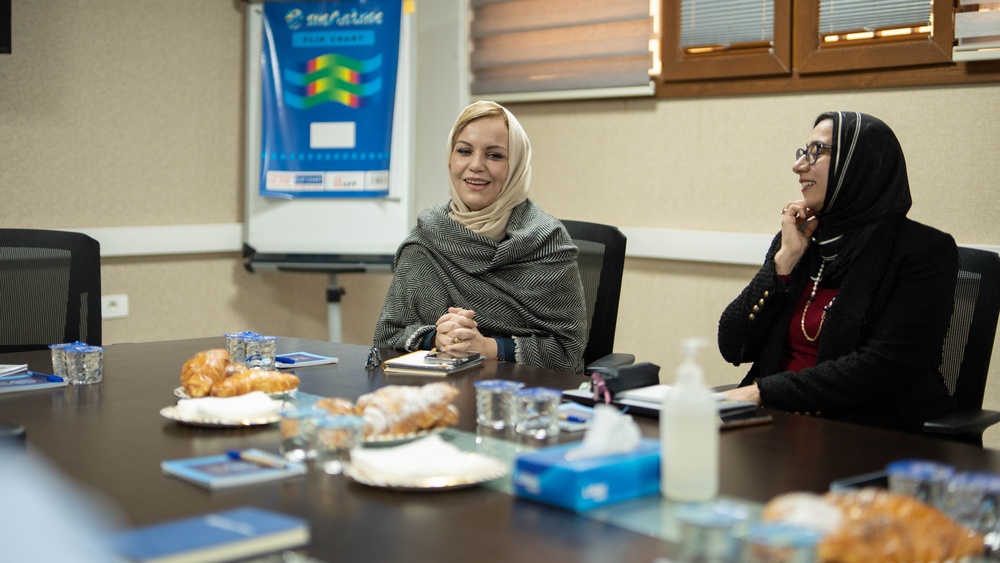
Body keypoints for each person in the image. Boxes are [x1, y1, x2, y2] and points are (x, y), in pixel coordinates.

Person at [719, 111, 958, 432]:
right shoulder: (801, 240)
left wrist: (764, 391)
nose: (799, 165)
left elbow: (881, 370)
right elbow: (733, 346)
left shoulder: (923, 251)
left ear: (858, 165)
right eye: (803, 152)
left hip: (864, 430)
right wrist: (784, 262)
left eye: (817, 152)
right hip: (775, 421)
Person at [370, 100, 588, 374]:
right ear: (450, 159)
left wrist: (486, 347)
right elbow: (387, 337)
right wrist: (438, 338)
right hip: (436, 395)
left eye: (495, 155)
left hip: (523, 399)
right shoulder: (426, 239)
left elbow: (567, 352)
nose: (475, 165)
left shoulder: (547, 241)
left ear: (517, 165)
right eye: (464, 151)